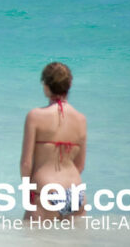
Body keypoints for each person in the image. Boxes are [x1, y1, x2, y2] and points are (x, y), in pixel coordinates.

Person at [20, 62, 87, 220]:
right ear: (68, 85)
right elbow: (80, 165)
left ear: (46, 86)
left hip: (46, 190)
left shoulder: (35, 116)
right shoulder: (81, 119)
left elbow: (26, 164)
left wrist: (27, 190)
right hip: (75, 192)